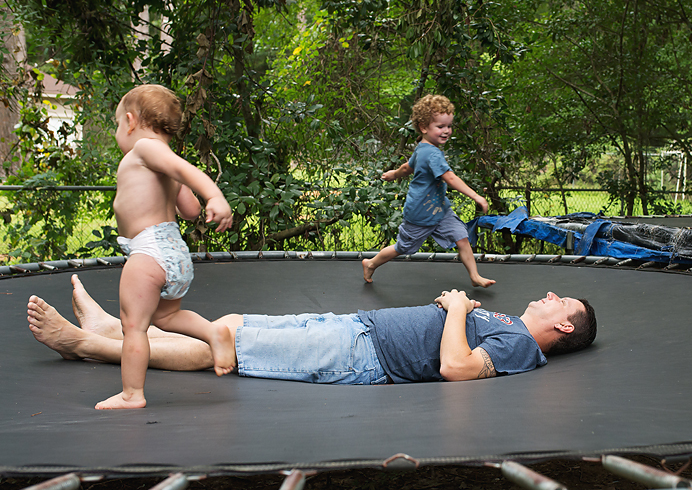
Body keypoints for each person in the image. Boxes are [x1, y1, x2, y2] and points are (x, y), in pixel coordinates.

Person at [27, 275, 597, 385]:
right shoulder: (509, 324)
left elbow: (456, 368)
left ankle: (88, 346)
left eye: (558, 300)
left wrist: (454, 309)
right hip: (353, 327)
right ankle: (109, 327)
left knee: (227, 352)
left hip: (362, 353)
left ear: (564, 324)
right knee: (227, 328)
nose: (548, 295)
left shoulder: (521, 345)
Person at [104, 84, 234, 410]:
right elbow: (189, 211)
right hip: (173, 250)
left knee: (133, 325)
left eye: (118, 124)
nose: (119, 131)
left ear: (131, 121)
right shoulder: (162, 159)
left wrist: (214, 195)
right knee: (167, 316)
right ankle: (214, 333)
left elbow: (187, 172)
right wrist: (194, 200)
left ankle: (132, 393)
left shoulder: (145, 149)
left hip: (148, 250)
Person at [362, 94, 495, 288]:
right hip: (420, 214)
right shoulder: (432, 154)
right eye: (440, 127)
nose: (446, 131)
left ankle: (475, 276)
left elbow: (408, 167)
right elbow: (449, 178)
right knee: (403, 247)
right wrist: (477, 197)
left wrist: (393, 174)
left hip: (440, 210)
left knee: (462, 238)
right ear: (424, 127)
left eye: (449, 126)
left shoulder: (423, 147)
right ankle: (371, 263)